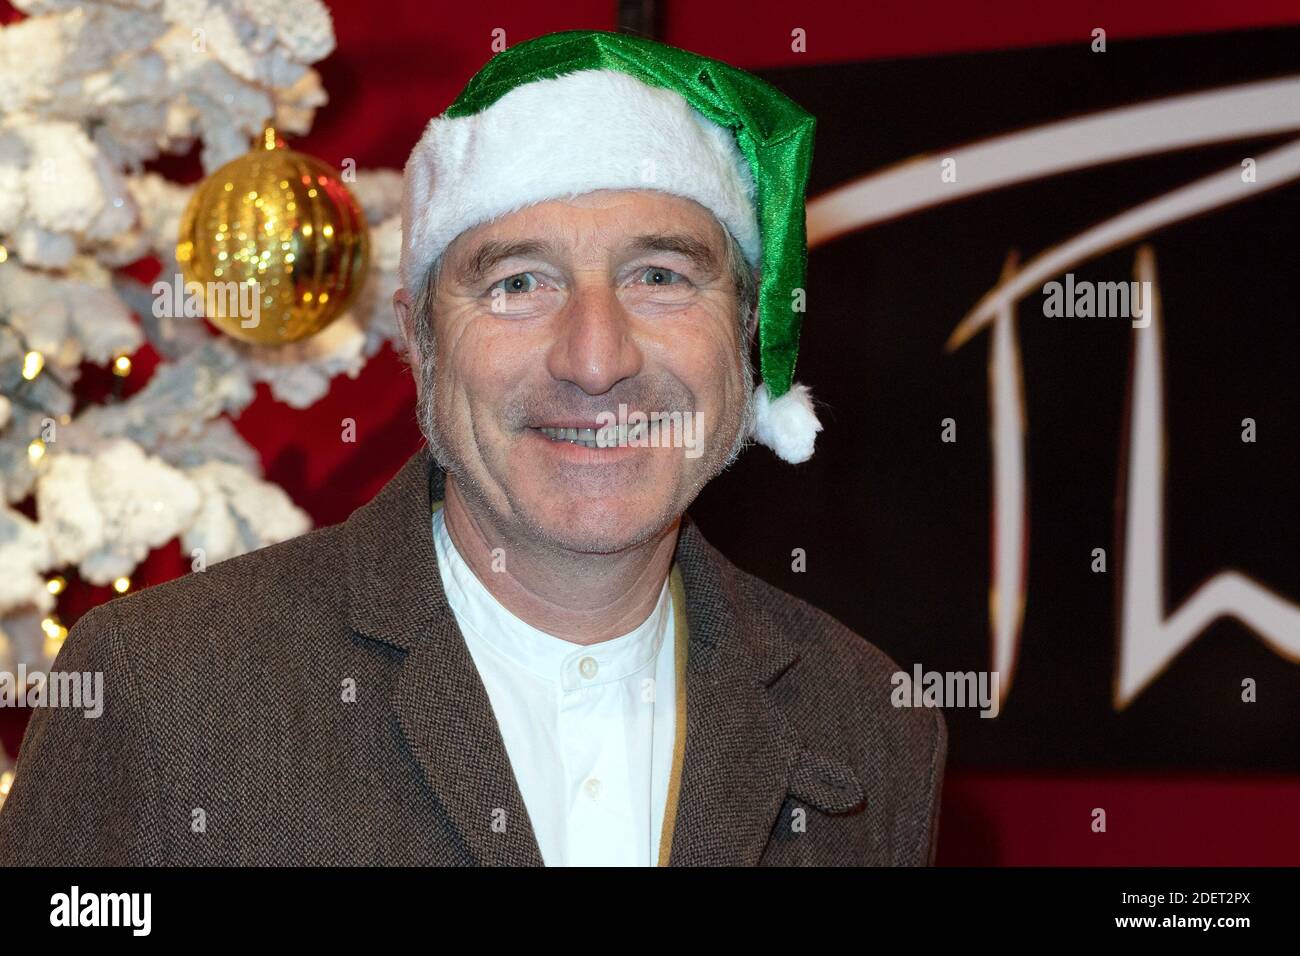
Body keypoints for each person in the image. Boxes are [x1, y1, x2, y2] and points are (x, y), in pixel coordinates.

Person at [0, 29, 945, 866]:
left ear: (744, 334)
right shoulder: (163, 689)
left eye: (660, 276)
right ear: (418, 339)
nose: (595, 358)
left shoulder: (869, 721)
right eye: (518, 282)